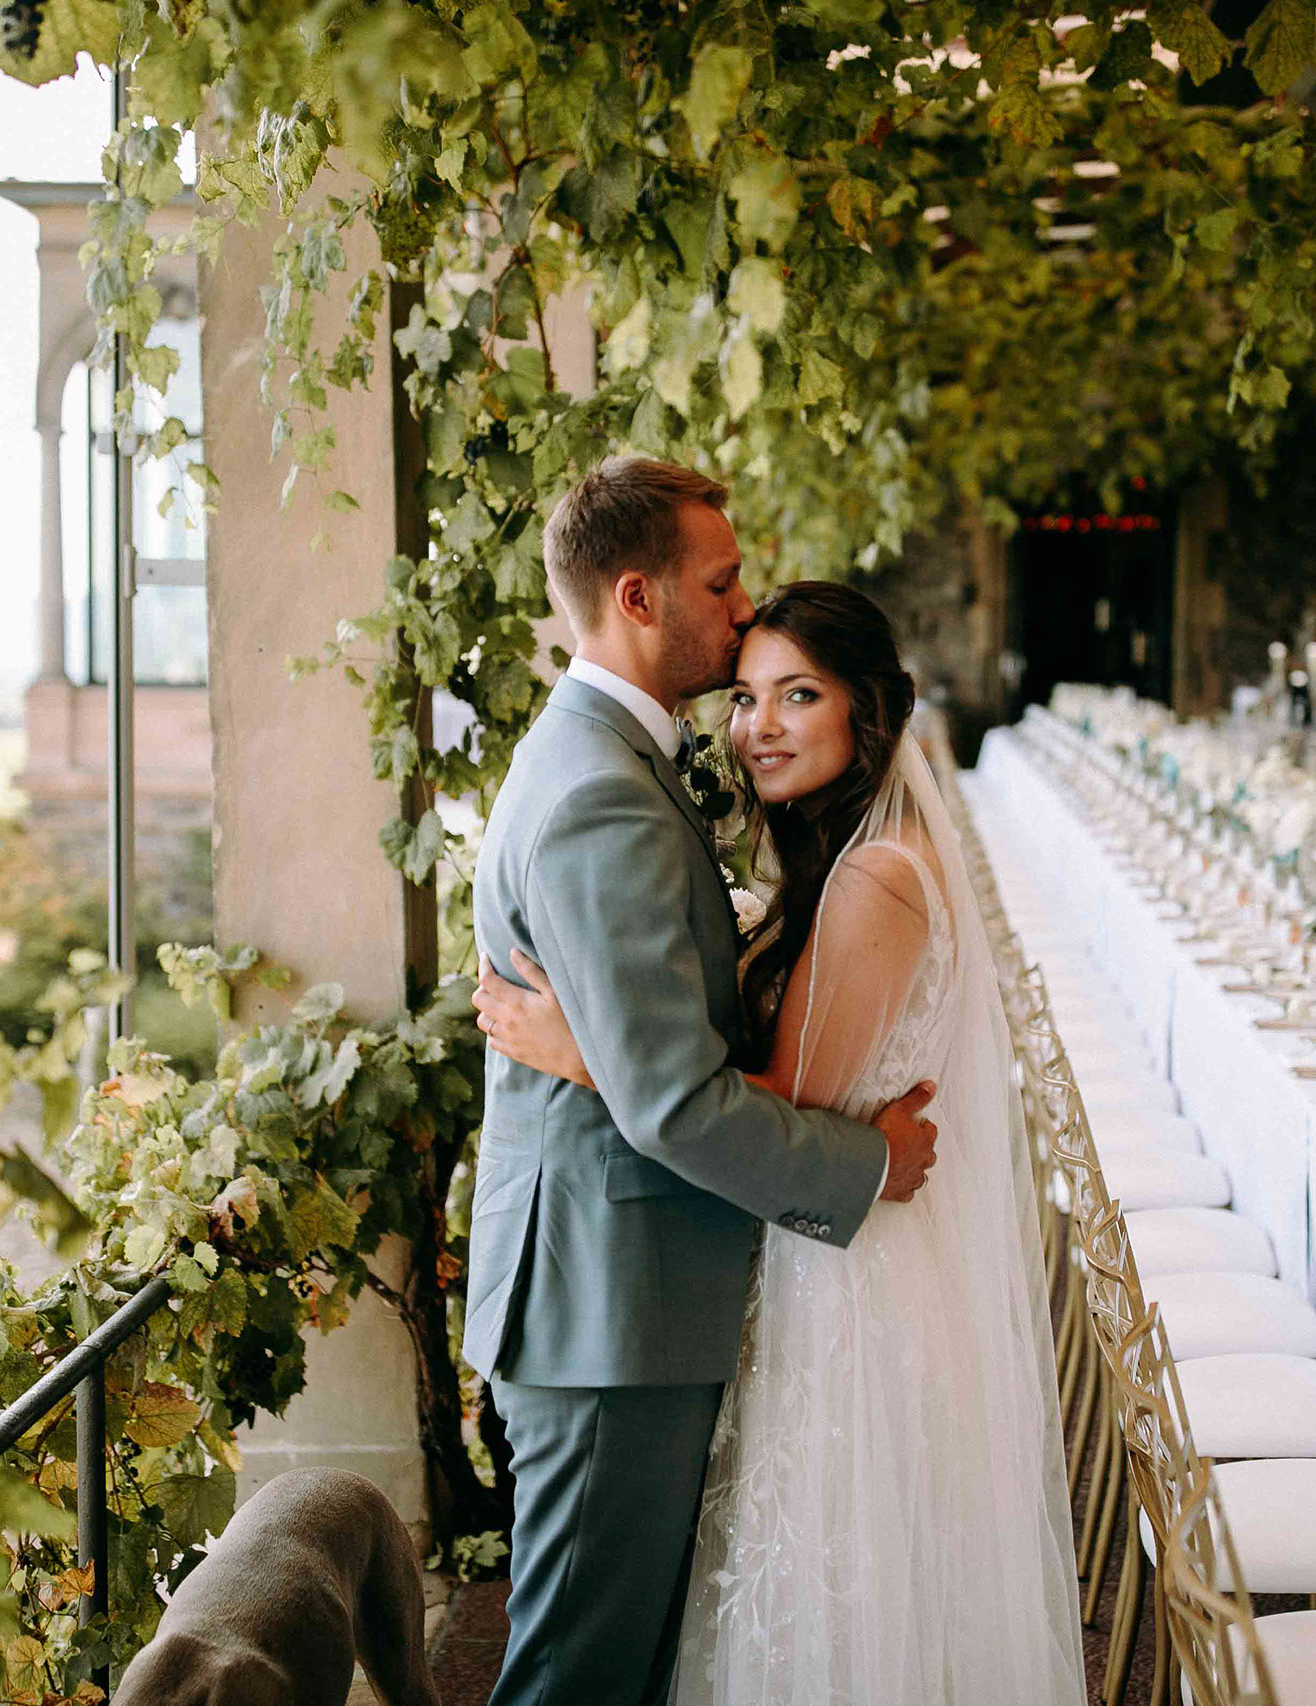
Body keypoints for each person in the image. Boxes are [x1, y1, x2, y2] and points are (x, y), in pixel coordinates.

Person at [477, 577, 1083, 1705]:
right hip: (817, 1259)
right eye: (748, 697)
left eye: (797, 695)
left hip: (847, 1284)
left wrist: (587, 1051)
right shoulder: (836, 859)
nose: (757, 726)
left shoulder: (871, 880)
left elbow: (779, 1099)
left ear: (869, 712)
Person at [463, 458, 943, 1706]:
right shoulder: (599, 797)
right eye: (720, 583)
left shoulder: (596, 760)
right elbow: (672, 1100)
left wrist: (594, 1053)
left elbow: (646, 1051)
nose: (740, 611)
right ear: (637, 594)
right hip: (606, 1310)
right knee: (576, 1678)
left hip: (612, 1293)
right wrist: (872, 1162)